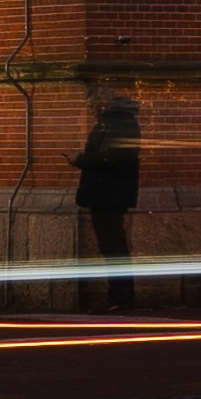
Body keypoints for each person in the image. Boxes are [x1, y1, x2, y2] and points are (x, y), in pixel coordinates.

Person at [73, 91, 147, 299]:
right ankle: (120, 297)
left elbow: (108, 159)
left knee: (113, 246)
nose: (89, 109)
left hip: (107, 192)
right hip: (110, 192)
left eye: (91, 103)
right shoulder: (120, 122)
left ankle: (121, 297)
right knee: (113, 245)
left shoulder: (114, 124)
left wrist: (79, 160)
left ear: (102, 103)